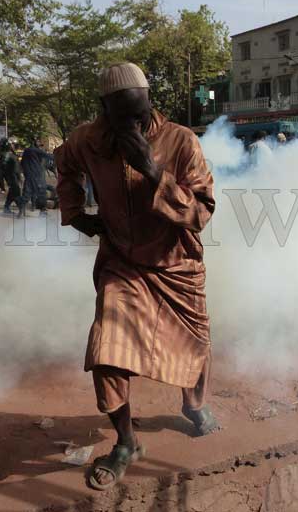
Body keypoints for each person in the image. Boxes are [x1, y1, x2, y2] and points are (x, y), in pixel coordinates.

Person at [55, 62, 219, 490]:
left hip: (175, 262)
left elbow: (201, 211)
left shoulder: (180, 140)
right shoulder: (88, 140)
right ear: (104, 110)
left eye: (141, 114)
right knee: (106, 347)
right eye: (124, 117)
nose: (135, 124)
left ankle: (194, 404)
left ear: (149, 103)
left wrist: (151, 169)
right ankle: (127, 441)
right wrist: (78, 217)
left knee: (195, 342)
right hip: (122, 261)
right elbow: (65, 164)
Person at [21, 139, 53, 215]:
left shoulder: (27, 151)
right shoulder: (35, 151)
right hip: (37, 176)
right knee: (40, 192)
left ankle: (26, 208)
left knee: (29, 192)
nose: (41, 147)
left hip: (30, 175)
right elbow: (49, 157)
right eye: (40, 145)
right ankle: (41, 208)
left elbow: (22, 163)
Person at [2, 139, 24, 216]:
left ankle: (6, 207)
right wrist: (8, 178)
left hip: (16, 176)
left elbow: (17, 166)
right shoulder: (7, 154)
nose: (14, 146)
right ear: (9, 145)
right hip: (12, 177)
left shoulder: (13, 154)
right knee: (16, 193)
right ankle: (21, 208)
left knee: (12, 193)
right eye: (13, 144)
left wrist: (20, 174)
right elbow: (4, 167)